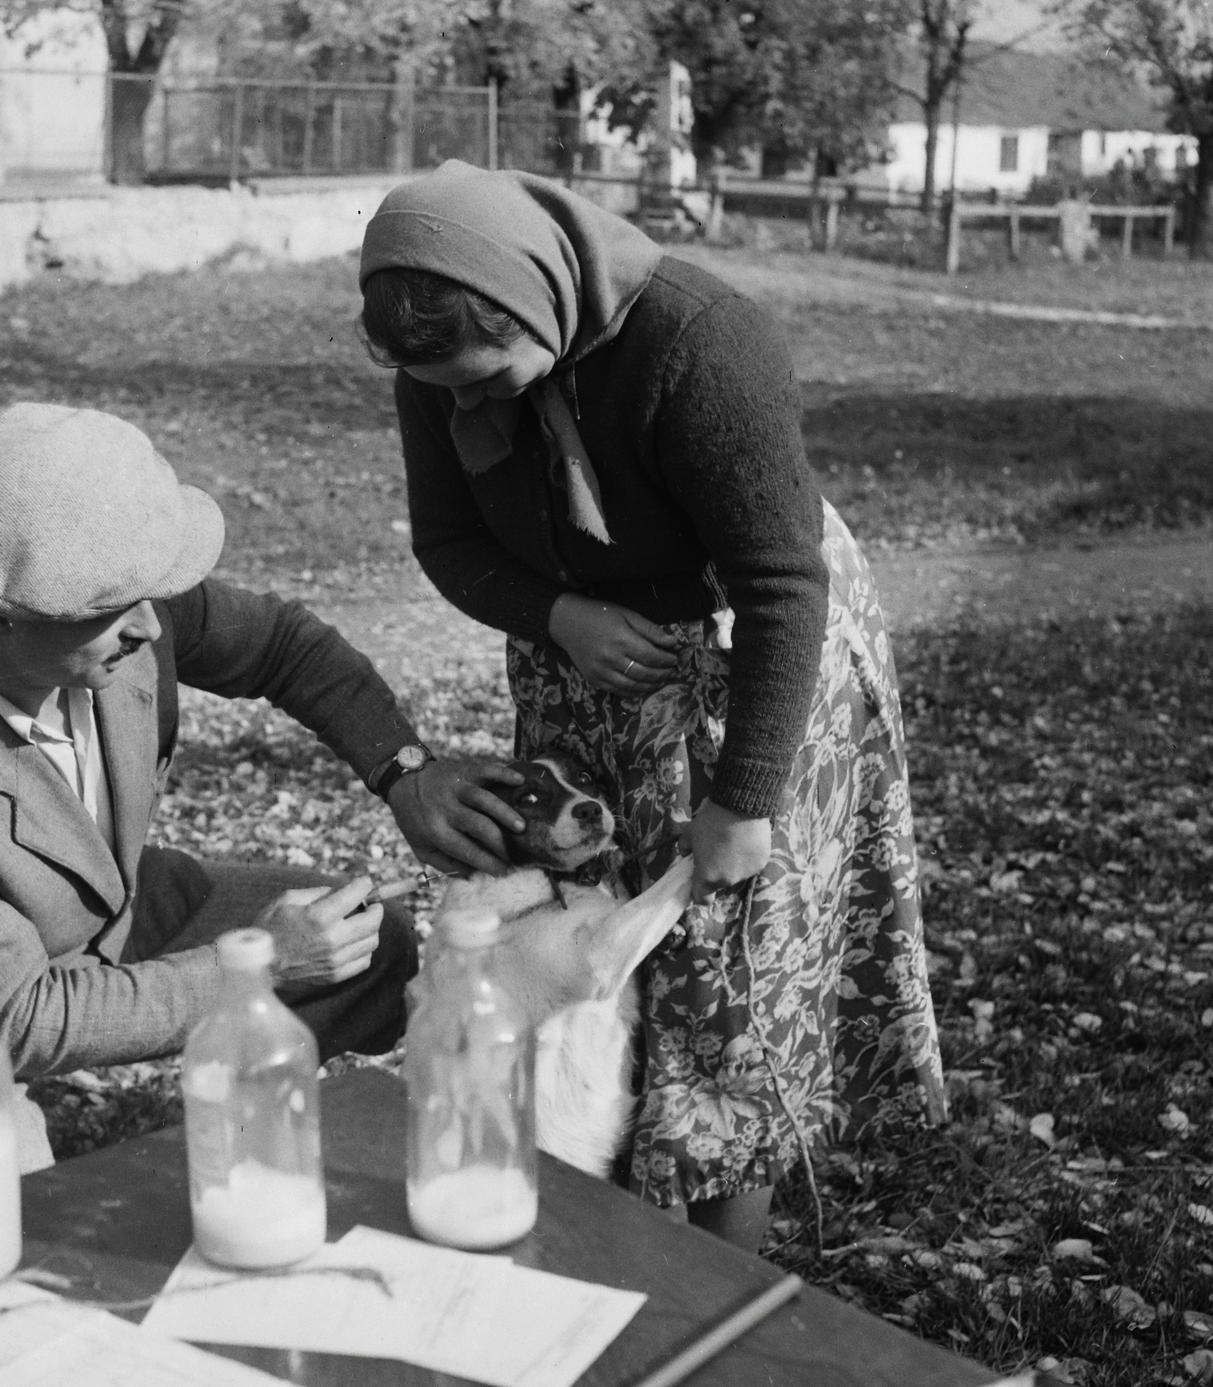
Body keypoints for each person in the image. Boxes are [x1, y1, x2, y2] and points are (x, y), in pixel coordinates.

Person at [357, 161, 947, 1251]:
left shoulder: (701, 341)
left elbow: (780, 580)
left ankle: (715, 1281)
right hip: (585, 667)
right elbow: (449, 544)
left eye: (491, 375)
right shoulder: (438, 366)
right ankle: (599, 1223)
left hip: (755, 661)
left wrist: (745, 797)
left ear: (533, 297)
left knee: (729, 970)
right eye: (448, 388)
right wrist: (560, 613)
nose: (470, 406)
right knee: (584, 956)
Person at [0, 402, 524, 1186]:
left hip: (105, 912)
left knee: (373, 947)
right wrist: (258, 961)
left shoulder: (133, 609)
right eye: (109, 610)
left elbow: (281, 644)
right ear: (0, 615)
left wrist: (402, 771)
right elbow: (13, 1018)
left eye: (150, 595)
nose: (148, 624)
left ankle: (236, 1144)